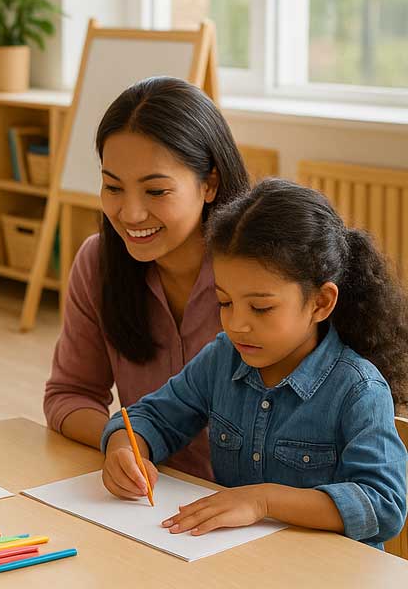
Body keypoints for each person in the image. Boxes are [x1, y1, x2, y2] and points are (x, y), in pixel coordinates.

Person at [102, 179, 408, 547]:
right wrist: (124, 448)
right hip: (237, 564)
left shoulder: (359, 389)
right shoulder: (222, 358)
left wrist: (263, 500)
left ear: (321, 303)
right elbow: (151, 418)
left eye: (261, 308)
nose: (236, 324)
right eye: (225, 302)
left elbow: (384, 506)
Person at [44, 77, 250, 479]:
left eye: (155, 191)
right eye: (112, 187)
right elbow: (70, 395)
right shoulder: (98, 262)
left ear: (209, 183)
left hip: (258, 513)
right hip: (154, 506)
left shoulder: (270, 273)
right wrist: (123, 440)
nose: (130, 214)